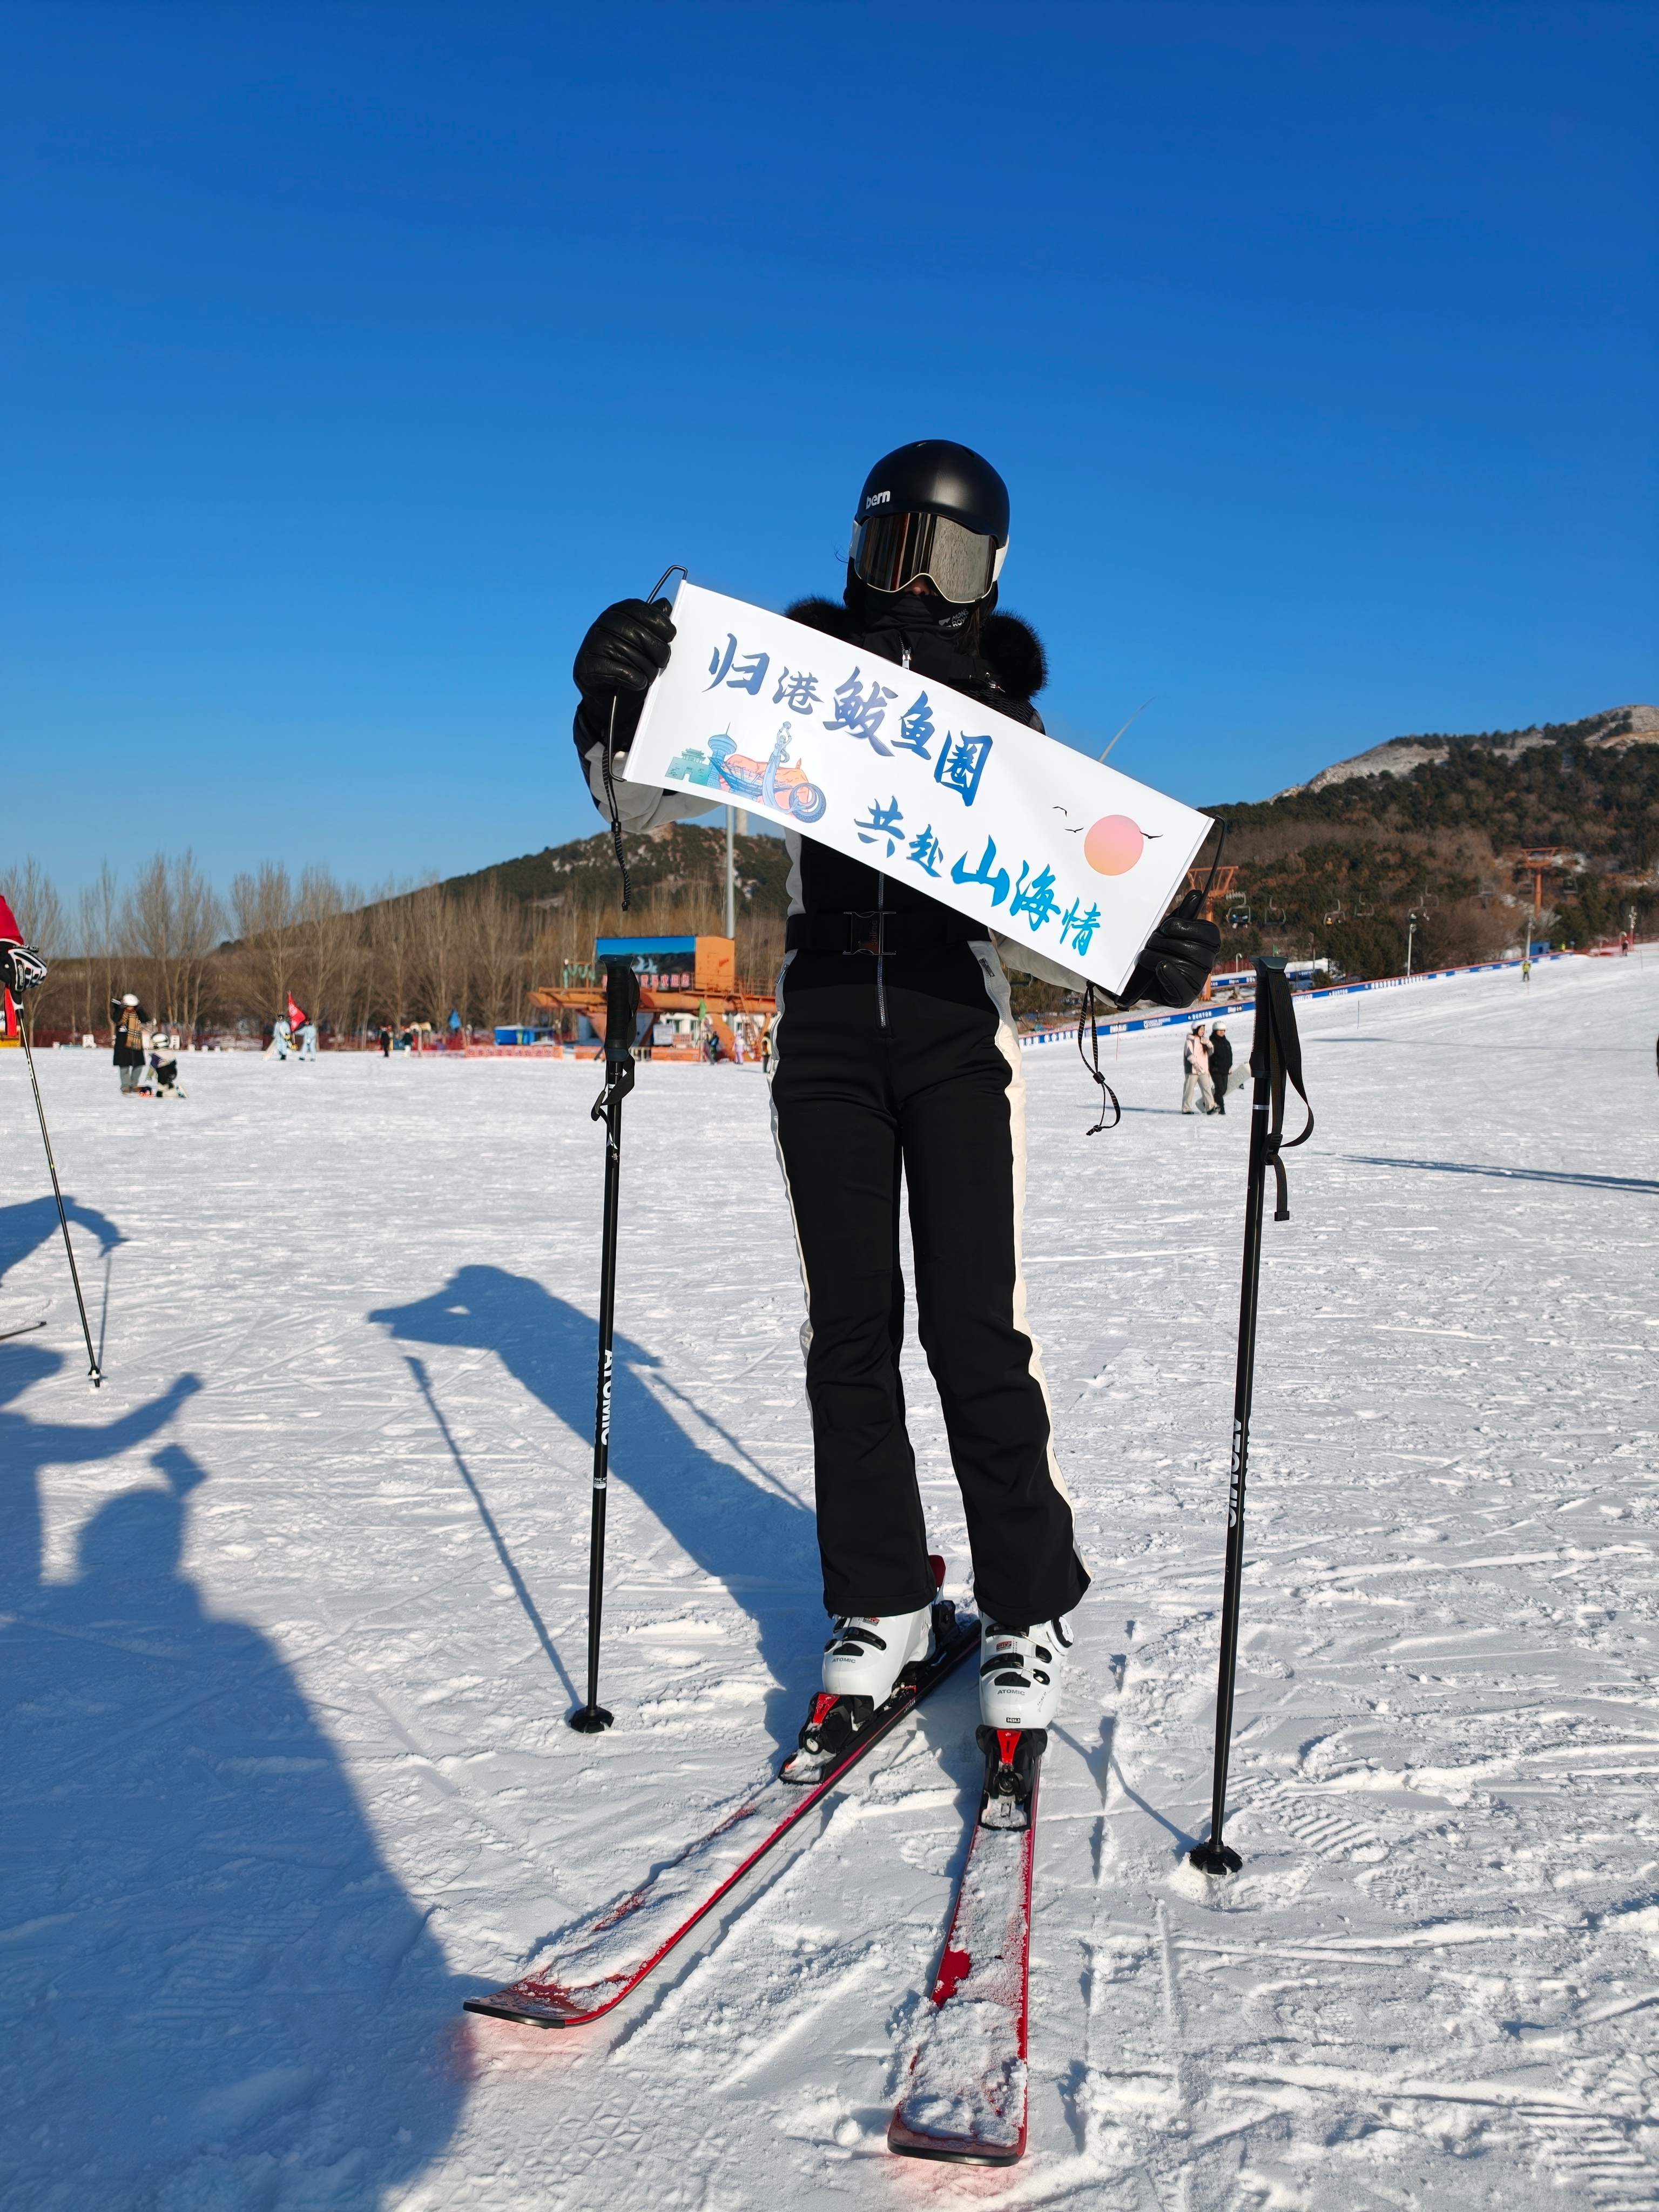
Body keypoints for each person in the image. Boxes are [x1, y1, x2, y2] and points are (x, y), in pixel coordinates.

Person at [567, 440, 1218, 1763]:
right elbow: (640, 789)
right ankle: (883, 1593)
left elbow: (1042, 907)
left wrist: (1136, 948)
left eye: (947, 558)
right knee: (847, 1329)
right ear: (857, 551)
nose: (914, 586)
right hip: (823, 1026)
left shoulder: (1002, 727)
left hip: (950, 1025)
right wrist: (615, 695)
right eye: (892, 550)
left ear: (989, 574)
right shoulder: (803, 684)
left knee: (975, 1326)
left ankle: (1025, 1601)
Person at [111, 994, 147, 1094]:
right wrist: (120, 1009)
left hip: (136, 1043)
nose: (131, 1008)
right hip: (123, 1044)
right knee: (124, 1065)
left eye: (133, 1006)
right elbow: (116, 1019)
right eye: (129, 1006)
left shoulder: (137, 1013)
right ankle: (126, 1086)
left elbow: (145, 1019)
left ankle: (134, 1084)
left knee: (139, 1065)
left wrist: (140, 1009)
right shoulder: (120, 1013)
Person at [1182, 1023, 1216, 1114]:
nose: (1203, 1031)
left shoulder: (1204, 1041)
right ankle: (1186, 1108)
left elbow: (1211, 1053)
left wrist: (1209, 1043)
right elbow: (1189, 1055)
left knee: (1207, 1089)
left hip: (1204, 1070)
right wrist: (1196, 1065)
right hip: (1193, 1071)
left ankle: (1210, 1107)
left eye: (1203, 1029)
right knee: (1189, 1090)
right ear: (1195, 1030)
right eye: (1201, 1029)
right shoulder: (1189, 1041)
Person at [1208, 1023, 1233, 1114]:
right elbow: (1208, 1056)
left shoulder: (1226, 1043)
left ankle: (1212, 1097)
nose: (1222, 1032)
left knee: (1224, 1090)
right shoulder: (1211, 1042)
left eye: (1224, 1031)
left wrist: (1230, 1066)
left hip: (1225, 1070)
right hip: (1215, 1070)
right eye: (1220, 1031)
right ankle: (1221, 1109)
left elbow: (1230, 1055)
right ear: (1215, 1031)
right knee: (1220, 1088)